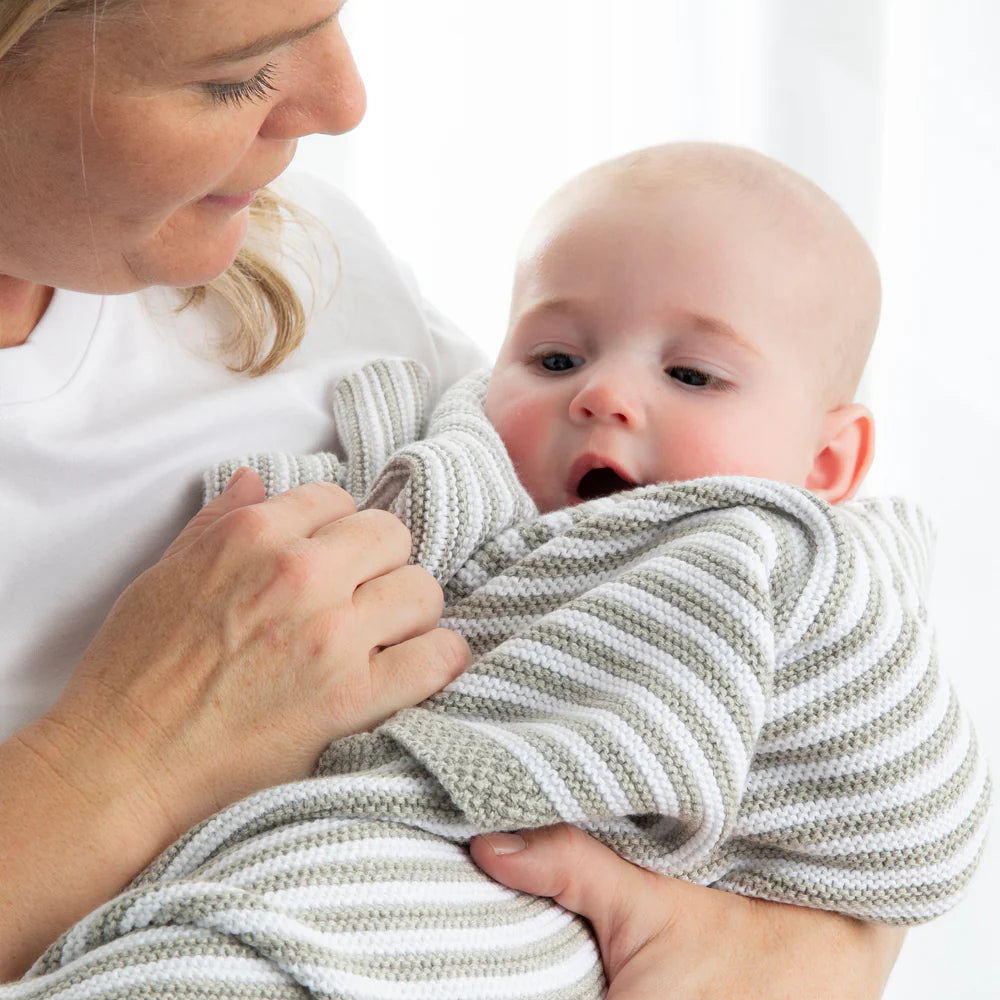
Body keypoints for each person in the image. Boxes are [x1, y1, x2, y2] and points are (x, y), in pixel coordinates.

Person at [0, 0, 909, 993]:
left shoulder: (289, 254)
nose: (344, 105)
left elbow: (859, 818)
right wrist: (120, 759)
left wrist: (784, 951)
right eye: (233, 77)